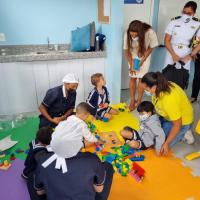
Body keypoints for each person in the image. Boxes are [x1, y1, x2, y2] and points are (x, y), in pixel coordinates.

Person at [34, 124, 114, 200]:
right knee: (107, 167)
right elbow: (99, 190)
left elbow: (40, 192)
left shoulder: (43, 162)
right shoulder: (91, 159)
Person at [141, 72, 194, 156]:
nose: (145, 91)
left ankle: (185, 131)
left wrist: (166, 143)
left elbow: (177, 124)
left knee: (159, 147)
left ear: (154, 87)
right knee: (150, 135)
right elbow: (157, 104)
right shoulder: (159, 85)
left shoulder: (169, 100)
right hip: (167, 115)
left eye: (146, 89)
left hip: (182, 122)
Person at [124, 20, 158, 111]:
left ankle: (139, 101)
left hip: (144, 55)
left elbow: (151, 47)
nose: (133, 36)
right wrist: (131, 64)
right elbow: (126, 50)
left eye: (135, 35)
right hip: (133, 56)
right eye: (132, 35)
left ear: (141, 32)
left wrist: (143, 60)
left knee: (141, 79)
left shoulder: (150, 32)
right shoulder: (127, 33)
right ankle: (132, 101)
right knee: (132, 77)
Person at [164, 1, 200, 71]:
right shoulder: (173, 22)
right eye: (184, 12)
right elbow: (166, 40)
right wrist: (173, 55)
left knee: (182, 76)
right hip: (171, 50)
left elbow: (198, 42)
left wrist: (190, 55)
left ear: (194, 13)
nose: (185, 15)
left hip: (186, 52)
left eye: (189, 13)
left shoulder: (197, 24)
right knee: (167, 74)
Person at [22, 126, 53, 200]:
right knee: (38, 179)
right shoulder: (40, 153)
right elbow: (43, 166)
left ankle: (25, 174)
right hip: (34, 169)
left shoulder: (37, 140)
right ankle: (38, 188)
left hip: (29, 164)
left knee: (28, 170)